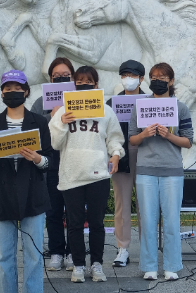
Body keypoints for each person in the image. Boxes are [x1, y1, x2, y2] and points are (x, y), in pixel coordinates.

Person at [0, 70, 53, 293]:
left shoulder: (39, 121)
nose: (12, 92)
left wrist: (38, 159)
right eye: (7, 89)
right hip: (1, 195)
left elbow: (50, 160)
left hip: (33, 194)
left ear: (26, 91)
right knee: (5, 256)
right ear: (1, 93)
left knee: (33, 255)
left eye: (17, 88)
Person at [49, 65, 125, 283]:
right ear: (74, 84)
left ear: (96, 84)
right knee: (73, 224)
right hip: (71, 174)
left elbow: (114, 139)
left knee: (96, 223)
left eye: (88, 81)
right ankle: (79, 265)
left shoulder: (106, 111)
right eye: (79, 81)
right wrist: (62, 123)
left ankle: (97, 264)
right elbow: (55, 144)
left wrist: (116, 154)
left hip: (98, 173)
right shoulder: (63, 111)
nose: (84, 85)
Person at [128, 62, 193, 281]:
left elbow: (188, 141)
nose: (158, 80)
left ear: (171, 81)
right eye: (154, 77)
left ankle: (172, 265)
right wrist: (144, 134)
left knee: (172, 220)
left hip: (172, 170)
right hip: (145, 170)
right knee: (147, 220)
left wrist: (168, 135)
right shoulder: (140, 106)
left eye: (163, 77)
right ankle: (149, 266)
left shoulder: (180, 107)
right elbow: (132, 139)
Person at [30, 57, 74, 271]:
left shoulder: (80, 99)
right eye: (57, 76)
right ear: (50, 78)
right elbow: (33, 131)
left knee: (74, 212)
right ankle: (56, 252)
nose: (61, 79)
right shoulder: (40, 102)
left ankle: (74, 252)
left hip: (75, 163)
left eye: (66, 75)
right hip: (52, 164)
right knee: (54, 211)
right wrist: (52, 117)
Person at [105, 60, 145, 267]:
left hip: (145, 153)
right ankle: (123, 248)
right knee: (121, 204)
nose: (127, 79)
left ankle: (147, 248)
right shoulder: (112, 103)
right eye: (124, 75)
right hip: (120, 154)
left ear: (141, 78)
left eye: (132, 75)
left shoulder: (149, 100)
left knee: (145, 204)